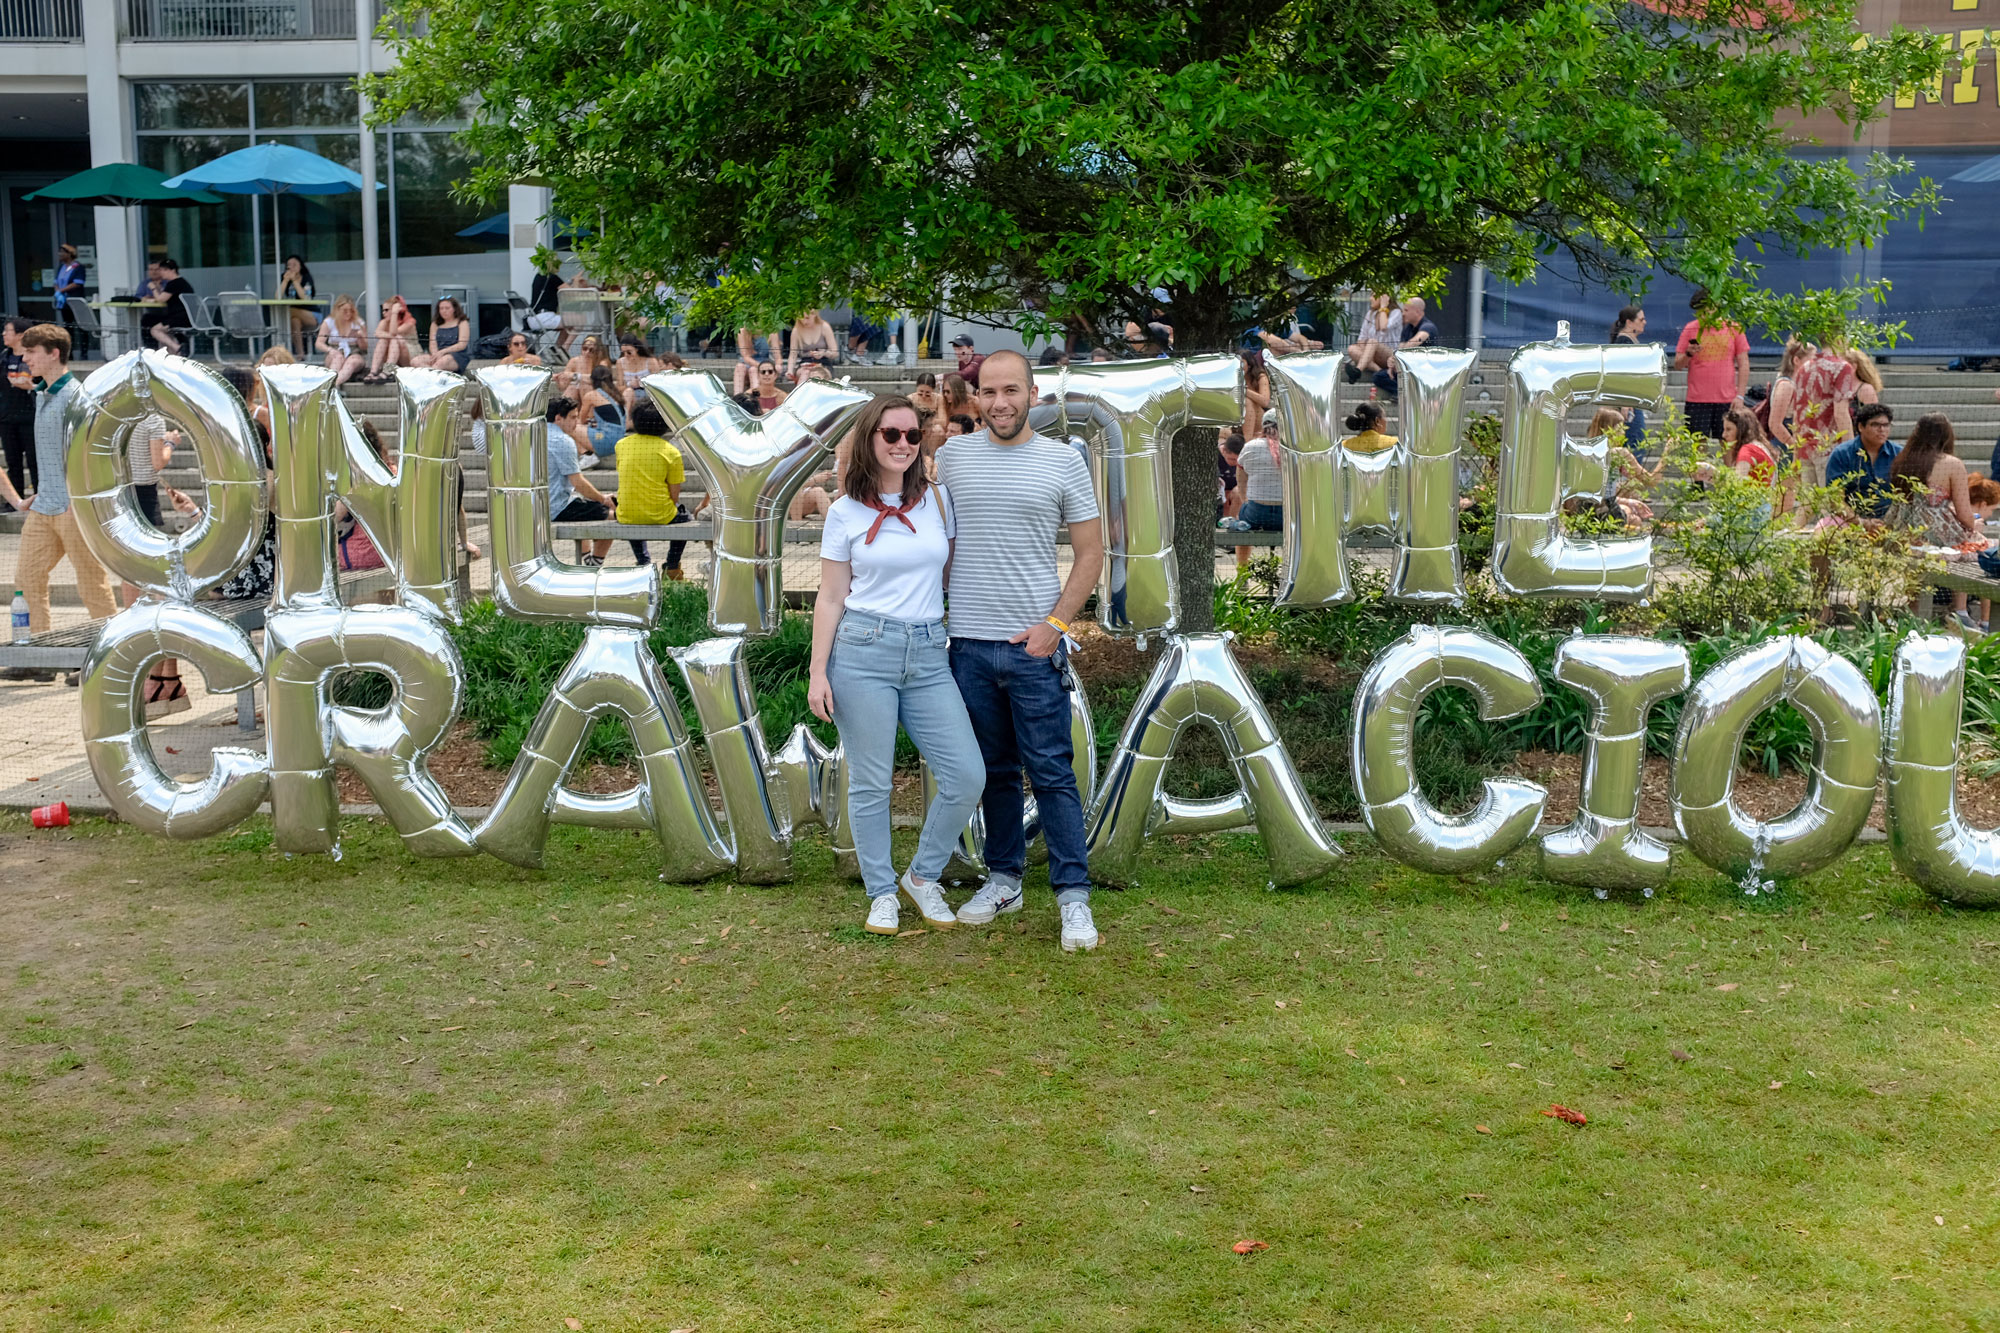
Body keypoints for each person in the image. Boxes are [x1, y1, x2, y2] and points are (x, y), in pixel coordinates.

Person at [938, 349, 1105, 950]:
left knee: (1053, 774)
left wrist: (1055, 626)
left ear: (1033, 395)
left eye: (1012, 390)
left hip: (1034, 648)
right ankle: (1004, 878)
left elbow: (1091, 554)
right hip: (967, 650)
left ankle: (1073, 898)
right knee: (994, 775)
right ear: (974, 397)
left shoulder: (1064, 462)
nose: (1000, 402)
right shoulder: (951, 459)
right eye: (989, 392)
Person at [806, 394, 984, 935]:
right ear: (870, 439)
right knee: (872, 783)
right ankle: (881, 891)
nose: (904, 444)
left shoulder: (938, 501)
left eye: (913, 435)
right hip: (862, 651)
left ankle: (922, 876)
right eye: (892, 435)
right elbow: (832, 596)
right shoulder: (844, 512)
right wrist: (818, 671)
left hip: (929, 652)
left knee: (965, 775)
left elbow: (950, 575)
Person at [13, 324, 118, 646]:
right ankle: (39, 652)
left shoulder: (77, 397)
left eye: (31, 352)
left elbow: (95, 453)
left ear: (54, 353)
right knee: (26, 580)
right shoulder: (43, 392)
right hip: (44, 506)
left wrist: (82, 501)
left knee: (91, 582)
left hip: (75, 508)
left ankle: (104, 652)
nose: (24, 357)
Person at [615, 396, 689, 575]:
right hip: (661, 513)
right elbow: (674, 496)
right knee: (687, 519)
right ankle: (672, 565)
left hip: (626, 513)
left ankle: (643, 561)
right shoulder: (671, 452)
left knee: (633, 512)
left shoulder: (621, 445)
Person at [545, 396, 617, 566]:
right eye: (572, 417)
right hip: (557, 508)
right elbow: (578, 483)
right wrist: (603, 499)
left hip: (538, 506)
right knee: (614, 517)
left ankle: (586, 558)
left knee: (583, 506)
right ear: (558, 418)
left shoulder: (533, 435)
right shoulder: (563, 441)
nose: (577, 422)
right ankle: (595, 565)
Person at [1672, 289, 1749, 439]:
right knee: (1697, 444)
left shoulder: (1733, 328)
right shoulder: (1691, 328)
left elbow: (1744, 363)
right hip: (1697, 399)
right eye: (1698, 311)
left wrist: (1740, 395)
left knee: (1729, 443)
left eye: (1704, 310)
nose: (1701, 315)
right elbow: (1677, 365)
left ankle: (1729, 464)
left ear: (1716, 305)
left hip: (1727, 399)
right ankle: (1699, 464)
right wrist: (1689, 354)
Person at [1790, 340, 1860, 486]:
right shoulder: (1841, 367)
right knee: (1831, 504)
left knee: (1809, 504)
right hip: (1830, 449)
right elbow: (1840, 413)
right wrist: (1851, 451)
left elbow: (1798, 413)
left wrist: (1796, 453)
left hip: (1805, 447)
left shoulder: (1804, 368)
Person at [1825, 402, 1900, 519]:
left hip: (1890, 521)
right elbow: (1835, 500)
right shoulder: (1842, 454)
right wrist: (1861, 523)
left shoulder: (1899, 454)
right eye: (1875, 425)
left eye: (1886, 425)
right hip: (1851, 522)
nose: (1882, 430)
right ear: (1861, 427)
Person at [1233, 408, 1285, 567]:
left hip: (1256, 514)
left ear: (1263, 426)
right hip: (1286, 516)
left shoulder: (1250, 447)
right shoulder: (1293, 450)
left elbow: (1241, 483)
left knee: (1240, 520)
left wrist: (1247, 502)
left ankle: (1242, 572)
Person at [1372, 297, 1439, 398]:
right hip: (1408, 369)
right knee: (1379, 376)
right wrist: (1392, 361)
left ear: (1417, 311)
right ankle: (1404, 393)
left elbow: (1413, 343)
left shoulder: (1428, 327)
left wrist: (1395, 357)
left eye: (1406, 310)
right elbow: (1400, 347)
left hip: (1423, 371)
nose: (1403, 313)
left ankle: (1411, 393)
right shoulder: (1407, 328)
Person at [1, 316, 36, 498]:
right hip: (7, 418)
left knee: (34, 461)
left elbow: (43, 385)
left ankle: (40, 499)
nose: (4, 334)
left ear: (21, 335)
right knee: (12, 461)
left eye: (8, 330)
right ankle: (15, 500)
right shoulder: (4, 358)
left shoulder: (35, 357)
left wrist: (31, 386)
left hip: (30, 417)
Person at [1761, 338, 1811, 458]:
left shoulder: (1796, 383)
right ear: (1796, 360)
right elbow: (1775, 424)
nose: (1812, 365)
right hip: (1784, 447)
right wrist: (1795, 447)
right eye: (1810, 361)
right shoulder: (1786, 386)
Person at [1609, 306, 1649, 453]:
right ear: (1629, 322)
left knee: (1635, 442)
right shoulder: (1624, 342)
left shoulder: (1628, 341)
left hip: (1633, 400)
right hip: (1629, 402)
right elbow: (1621, 374)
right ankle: (1630, 476)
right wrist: (1625, 402)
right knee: (1635, 443)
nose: (1645, 322)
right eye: (1641, 319)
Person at [140, 258, 198, 355]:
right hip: (185, 316)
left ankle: (178, 348)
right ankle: (175, 355)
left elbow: (161, 299)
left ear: (172, 270)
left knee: (155, 330)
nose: (161, 273)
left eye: (163, 270)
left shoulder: (174, 283)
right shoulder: (181, 282)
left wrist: (153, 288)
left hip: (180, 317)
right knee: (158, 326)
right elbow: (165, 297)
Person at [1346, 292, 1403, 382]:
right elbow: (1361, 338)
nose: (1370, 299)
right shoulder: (1370, 313)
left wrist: (1383, 307)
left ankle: (1358, 370)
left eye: (1373, 296)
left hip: (1389, 354)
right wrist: (1367, 353)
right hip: (1371, 355)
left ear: (1384, 297)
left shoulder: (1396, 312)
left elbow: (1384, 327)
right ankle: (1380, 371)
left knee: (1373, 342)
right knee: (1352, 349)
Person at [363, 297, 418, 383]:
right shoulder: (384, 322)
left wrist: (394, 314)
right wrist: (388, 335)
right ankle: (373, 372)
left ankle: (387, 371)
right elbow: (377, 333)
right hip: (393, 356)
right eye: (383, 310)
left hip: (409, 357)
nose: (383, 313)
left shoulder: (409, 321)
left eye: (386, 310)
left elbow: (393, 332)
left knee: (395, 339)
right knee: (383, 340)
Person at [316, 295, 368, 386]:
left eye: (351, 311)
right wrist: (330, 350)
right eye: (345, 311)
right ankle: (332, 384)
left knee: (351, 362)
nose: (348, 314)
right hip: (335, 350)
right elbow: (319, 343)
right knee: (338, 358)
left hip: (354, 352)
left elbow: (364, 347)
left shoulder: (358, 323)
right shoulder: (329, 322)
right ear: (337, 309)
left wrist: (360, 337)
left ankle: (333, 385)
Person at [580, 364, 627, 463]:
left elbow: (581, 420)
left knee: (571, 426)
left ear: (592, 380)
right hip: (620, 440)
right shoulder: (616, 394)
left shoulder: (591, 395)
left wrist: (590, 422)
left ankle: (588, 456)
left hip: (606, 441)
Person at [527, 250, 569, 358]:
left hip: (533, 318)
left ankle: (558, 350)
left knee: (569, 323)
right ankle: (561, 350)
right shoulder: (551, 277)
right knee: (578, 321)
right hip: (545, 317)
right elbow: (570, 292)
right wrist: (577, 281)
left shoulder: (538, 276)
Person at [414, 297, 472, 374]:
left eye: (447, 308)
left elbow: (462, 344)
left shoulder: (462, 322)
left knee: (440, 363)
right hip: (438, 353)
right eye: (441, 308)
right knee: (415, 361)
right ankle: (437, 374)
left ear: (454, 309)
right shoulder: (435, 324)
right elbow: (432, 343)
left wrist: (443, 352)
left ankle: (431, 376)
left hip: (457, 355)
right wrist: (435, 354)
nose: (444, 311)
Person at [246, 347, 296, 433]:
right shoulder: (263, 392)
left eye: (272, 369)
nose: (267, 374)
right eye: (265, 369)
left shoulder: (294, 396)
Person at [276, 255, 317, 354]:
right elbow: (277, 297)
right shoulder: (285, 278)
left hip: (311, 314)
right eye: (289, 265)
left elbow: (305, 298)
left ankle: (279, 335)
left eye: (294, 264)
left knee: (287, 312)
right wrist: (285, 281)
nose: (291, 267)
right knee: (294, 321)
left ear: (301, 266)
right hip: (294, 315)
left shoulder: (306, 277)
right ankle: (301, 354)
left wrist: (294, 281)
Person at [53, 243, 87, 358]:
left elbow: (78, 283)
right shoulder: (61, 267)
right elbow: (56, 281)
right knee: (68, 327)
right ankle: (69, 353)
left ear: (69, 254)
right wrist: (58, 292)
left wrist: (62, 290)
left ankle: (84, 352)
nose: (60, 254)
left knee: (81, 326)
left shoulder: (78, 267)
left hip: (75, 301)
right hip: (64, 303)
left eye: (62, 252)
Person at [733, 325, 775, 395]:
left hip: (764, 364)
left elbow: (777, 355)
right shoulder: (742, 331)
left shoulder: (771, 331)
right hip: (749, 363)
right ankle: (737, 397)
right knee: (739, 366)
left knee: (753, 369)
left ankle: (755, 397)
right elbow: (745, 356)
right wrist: (761, 366)